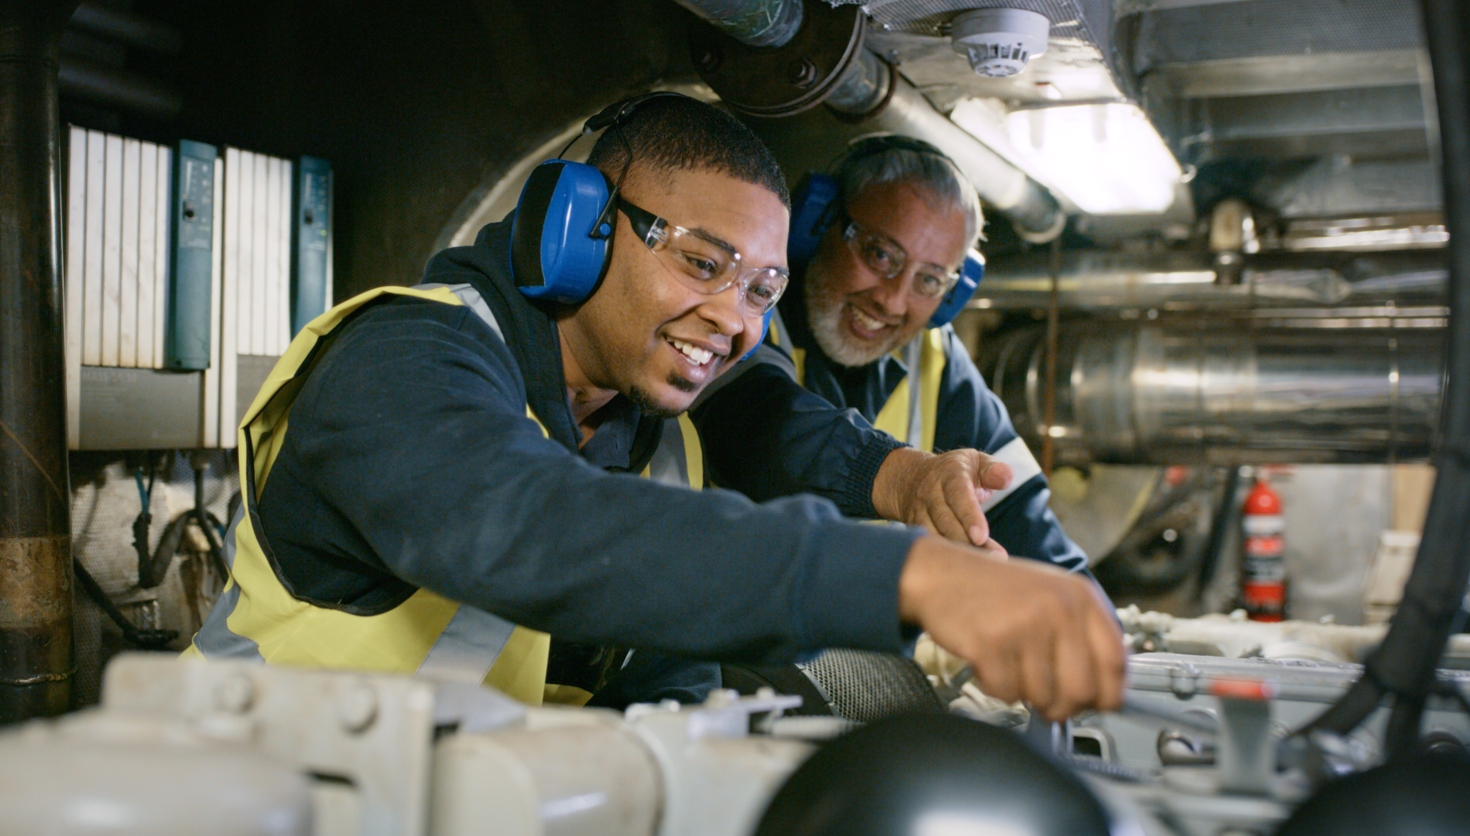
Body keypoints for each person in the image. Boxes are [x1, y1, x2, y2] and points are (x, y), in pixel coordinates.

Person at [186, 95, 1121, 722]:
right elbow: (536, 528)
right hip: (241, 799)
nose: (735, 320)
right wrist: (910, 576)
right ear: (579, 229)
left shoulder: (662, 438)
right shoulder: (403, 362)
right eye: (702, 263)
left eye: (762, 288)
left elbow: (666, 686)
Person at [693, 136, 1088, 573]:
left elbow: (1024, 525)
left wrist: (1085, 613)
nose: (894, 301)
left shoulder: (936, 356)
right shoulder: (744, 312)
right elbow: (761, 432)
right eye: (880, 254)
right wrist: (905, 479)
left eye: (930, 280)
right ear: (818, 221)